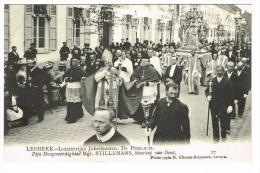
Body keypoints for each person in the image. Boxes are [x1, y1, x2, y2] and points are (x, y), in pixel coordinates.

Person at [148, 81, 190, 145]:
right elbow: (155, 118)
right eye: (171, 93)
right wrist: (150, 127)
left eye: (175, 94)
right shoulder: (160, 102)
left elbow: (186, 128)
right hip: (159, 138)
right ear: (166, 91)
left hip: (174, 140)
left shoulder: (182, 107)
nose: (173, 96)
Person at [205, 65, 233, 143]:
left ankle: (223, 136)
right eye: (217, 71)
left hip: (224, 105)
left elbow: (231, 94)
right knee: (214, 121)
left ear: (223, 71)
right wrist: (208, 96)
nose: (219, 72)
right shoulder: (212, 81)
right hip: (214, 105)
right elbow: (207, 91)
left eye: (220, 71)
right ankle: (215, 137)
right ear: (215, 71)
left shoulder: (228, 81)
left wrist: (230, 105)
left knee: (223, 121)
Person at [64, 57, 87, 123]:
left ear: (78, 62)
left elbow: (84, 76)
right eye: (72, 61)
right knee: (70, 101)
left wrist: (81, 78)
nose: (73, 62)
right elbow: (65, 75)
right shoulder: (70, 69)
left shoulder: (80, 69)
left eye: (75, 61)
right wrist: (67, 78)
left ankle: (74, 116)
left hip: (76, 86)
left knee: (75, 100)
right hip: (70, 86)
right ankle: (72, 115)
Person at [224, 61, 238, 133]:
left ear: (233, 67)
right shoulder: (223, 74)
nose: (230, 68)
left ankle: (227, 128)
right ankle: (223, 125)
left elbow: (238, 87)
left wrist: (236, 98)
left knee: (228, 113)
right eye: (229, 66)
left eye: (232, 66)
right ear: (226, 67)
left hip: (231, 97)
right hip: (223, 97)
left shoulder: (235, 76)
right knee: (222, 112)